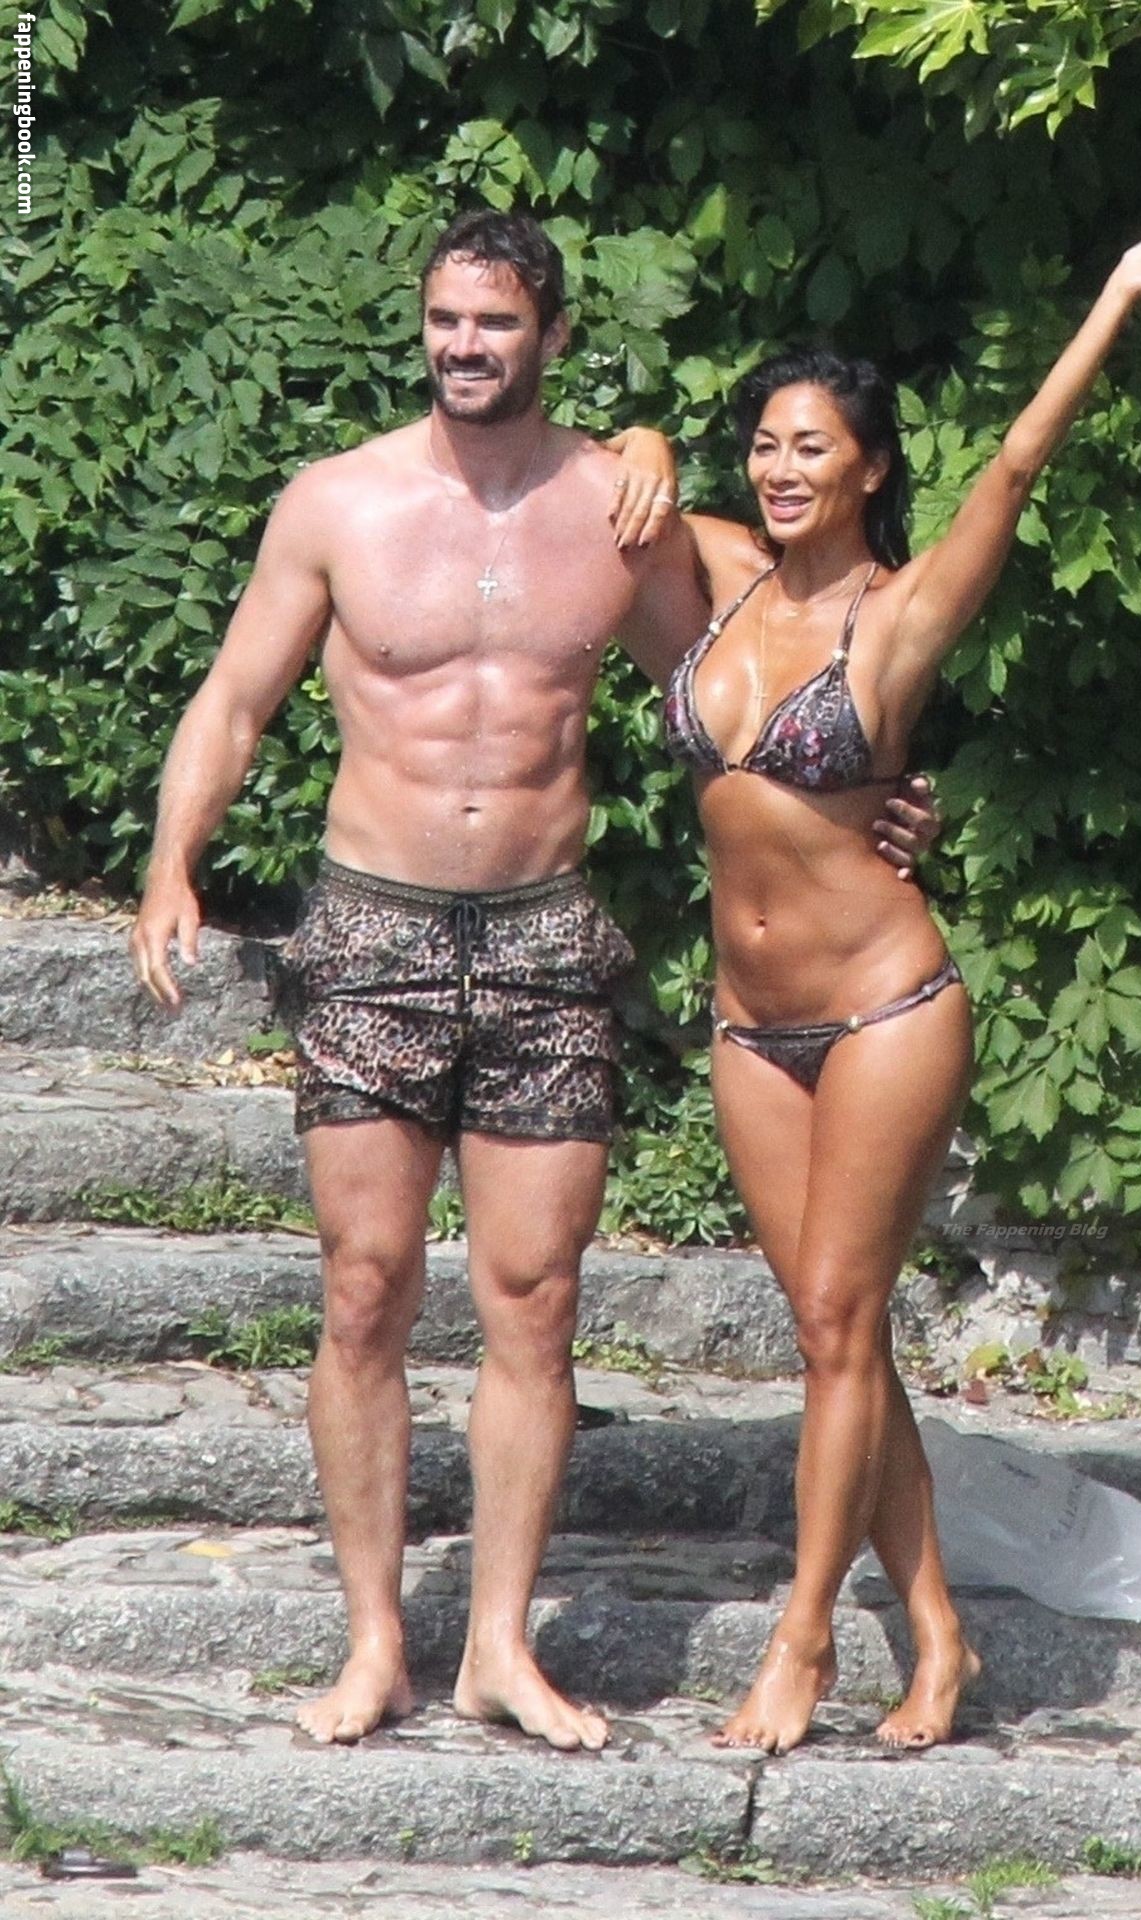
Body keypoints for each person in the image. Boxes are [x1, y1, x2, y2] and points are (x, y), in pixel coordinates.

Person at [129, 208, 938, 1752]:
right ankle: (375, 1642)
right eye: (445, 320)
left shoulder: (617, 517)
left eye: (496, 323)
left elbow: (756, 689)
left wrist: (875, 801)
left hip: (545, 940)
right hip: (372, 928)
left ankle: (499, 1642)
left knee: (534, 1298)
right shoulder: (339, 503)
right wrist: (175, 860)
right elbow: (233, 699)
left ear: (552, 336)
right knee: (364, 1286)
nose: (464, 346)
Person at [651, 217, 1141, 1755]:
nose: (780, 467)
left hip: (884, 1010)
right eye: (763, 443)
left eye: (812, 447)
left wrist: (1113, 294)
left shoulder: (899, 613)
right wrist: (648, 439)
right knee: (836, 1340)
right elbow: (609, 480)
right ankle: (939, 1636)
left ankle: (803, 1642)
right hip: (748, 1025)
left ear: (869, 468)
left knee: (839, 1321)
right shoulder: (720, 573)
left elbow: (1014, 469)